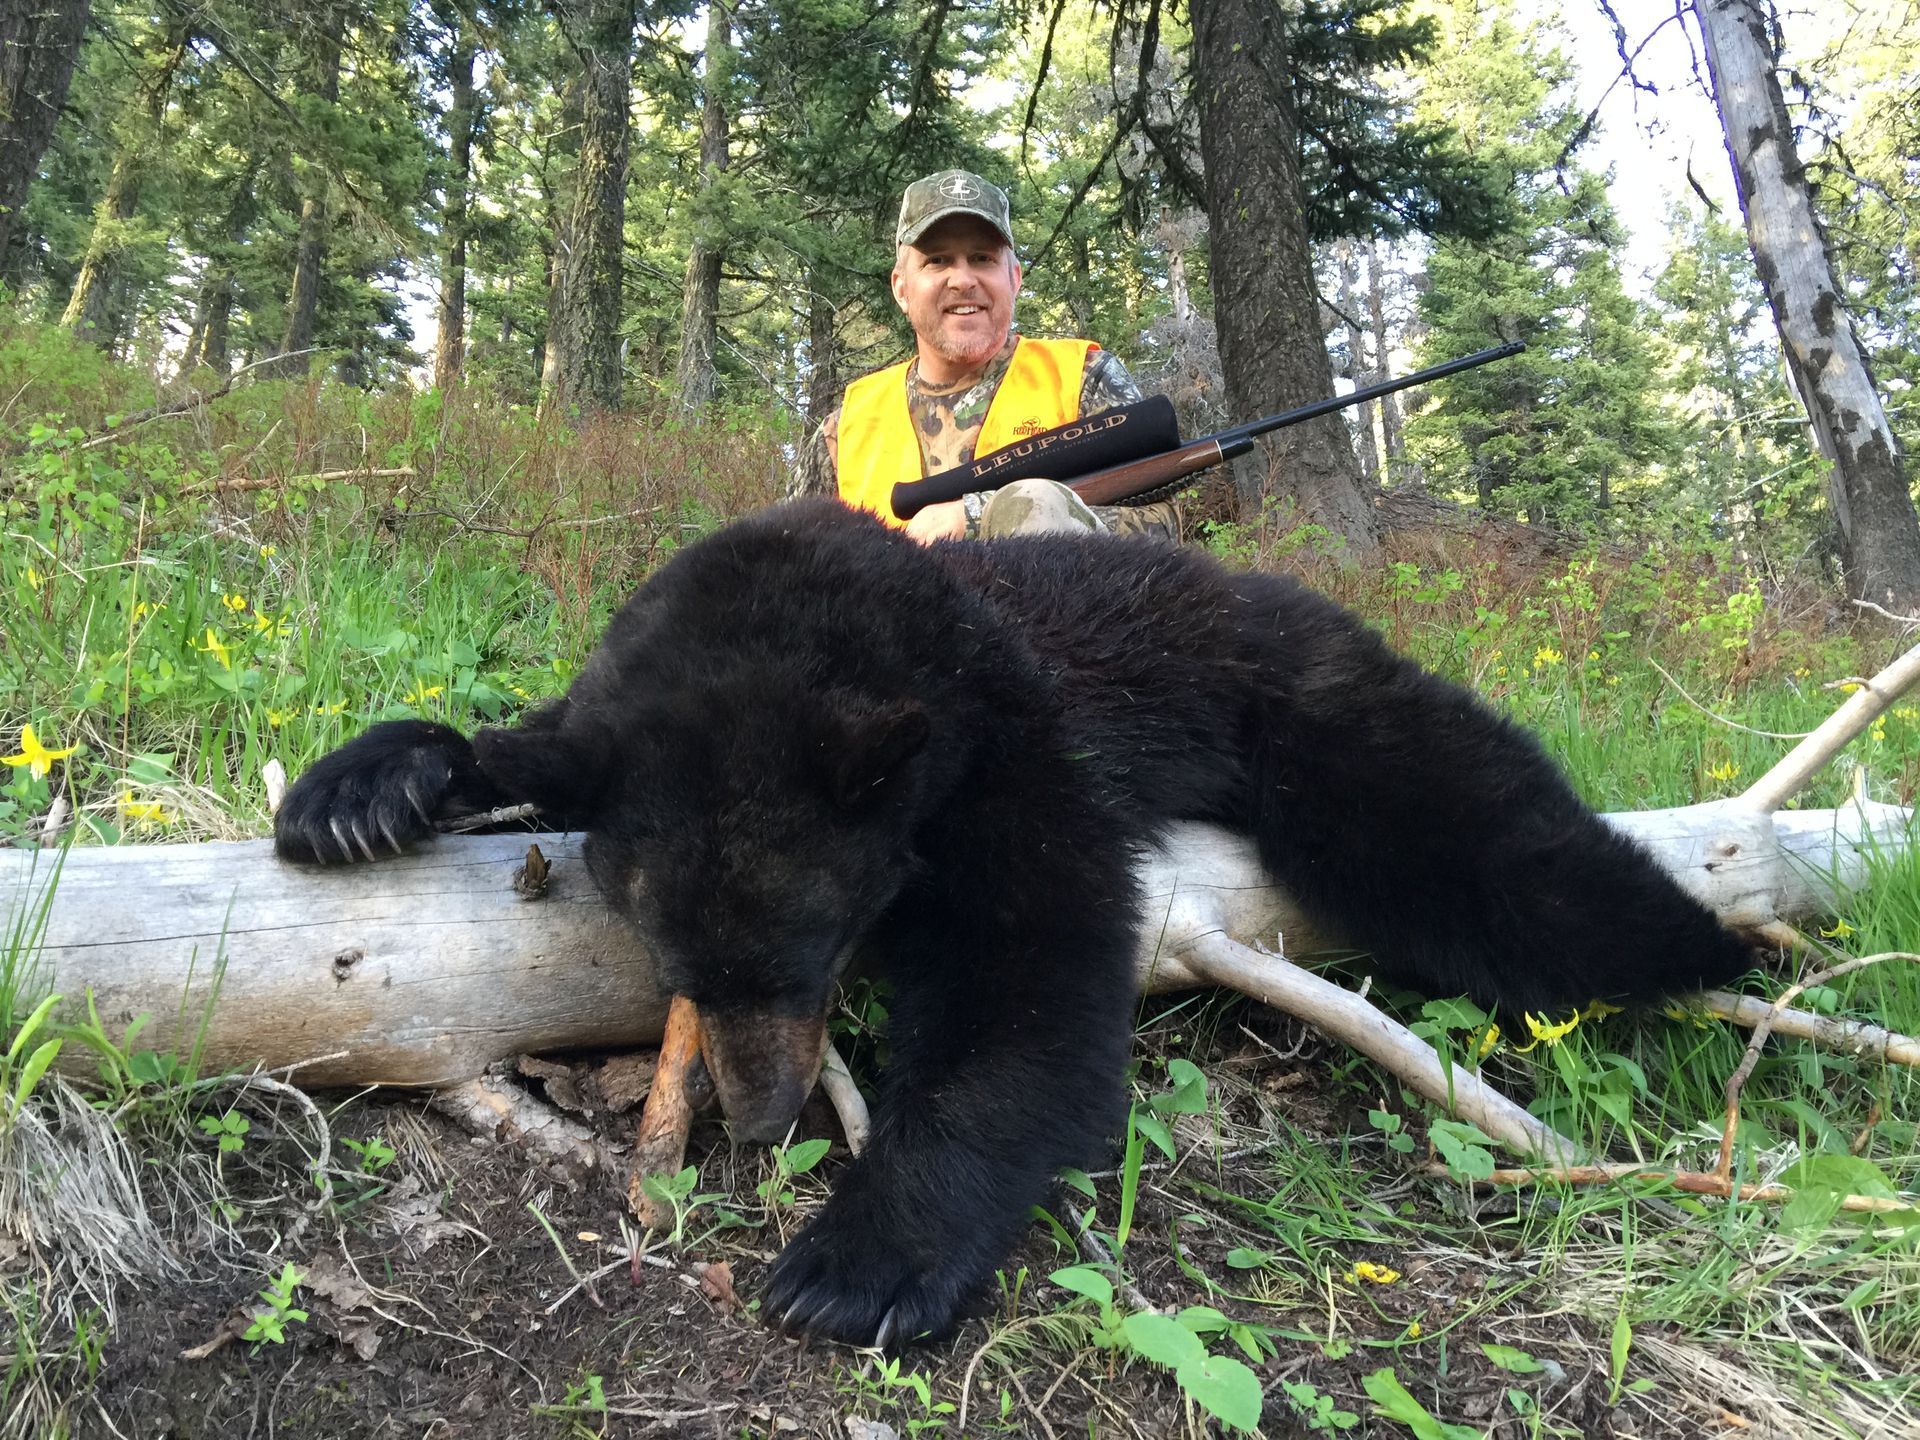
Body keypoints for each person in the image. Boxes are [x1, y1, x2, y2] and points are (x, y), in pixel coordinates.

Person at [792, 169, 1179, 542]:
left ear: (1014, 278)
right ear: (901, 288)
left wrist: (983, 516)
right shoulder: (844, 432)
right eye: (937, 260)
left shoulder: (1082, 380)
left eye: (982, 258)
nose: (962, 279)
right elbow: (789, 564)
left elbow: (1159, 531)